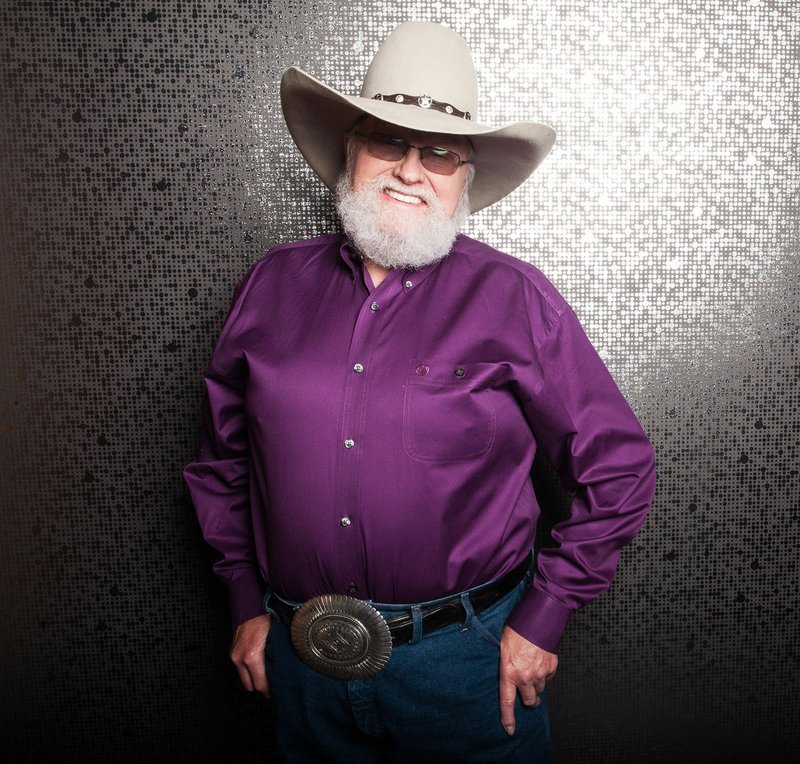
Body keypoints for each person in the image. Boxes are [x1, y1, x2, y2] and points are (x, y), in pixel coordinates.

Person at [184, 21, 656, 763]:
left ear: (466, 176)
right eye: (386, 141)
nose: (410, 169)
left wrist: (546, 614)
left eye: (439, 152)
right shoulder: (271, 284)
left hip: (466, 665)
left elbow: (620, 467)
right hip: (302, 665)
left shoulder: (514, 297)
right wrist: (243, 599)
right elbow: (222, 464)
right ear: (349, 153)